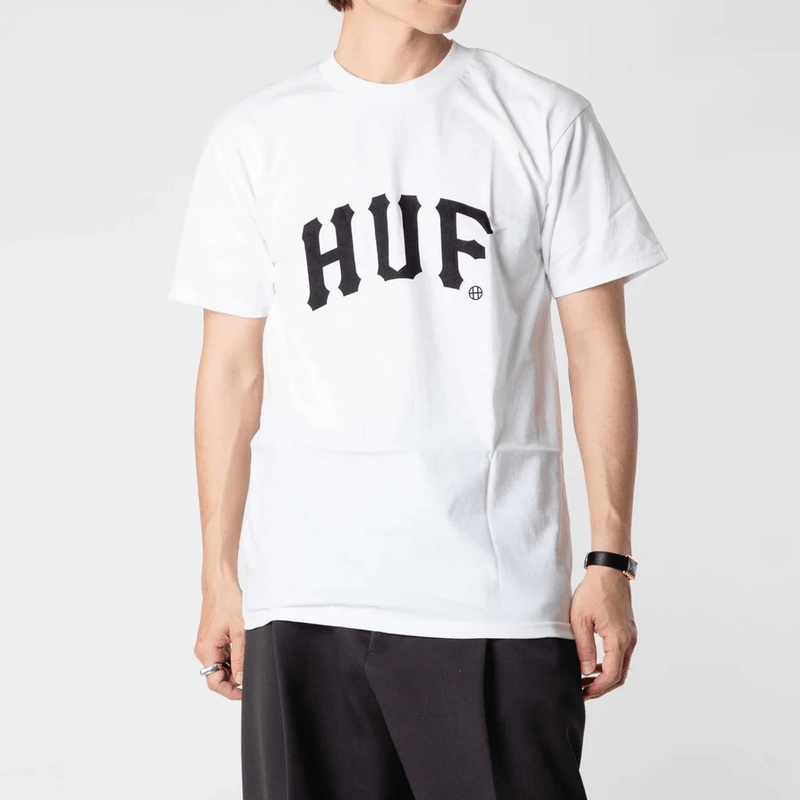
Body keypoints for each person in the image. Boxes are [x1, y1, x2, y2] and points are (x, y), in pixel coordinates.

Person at [168, 1, 668, 797]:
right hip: (305, 595)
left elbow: (597, 349)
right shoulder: (257, 136)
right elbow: (230, 370)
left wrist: (610, 560)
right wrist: (218, 575)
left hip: (493, 598)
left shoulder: (544, 118)